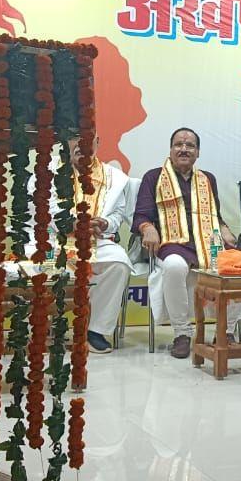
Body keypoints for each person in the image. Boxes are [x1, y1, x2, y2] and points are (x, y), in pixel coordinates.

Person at [133, 128, 241, 359]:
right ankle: (182, 333)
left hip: (208, 240)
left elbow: (215, 216)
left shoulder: (207, 179)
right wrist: (147, 228)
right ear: (170, 149)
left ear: (198, 152)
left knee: (234, 265)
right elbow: (142, 214)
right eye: (179, 145)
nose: (184, 149)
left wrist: (224, 229)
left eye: (190, 145)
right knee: (174, 266)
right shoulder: (153, 177)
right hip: (173, 241)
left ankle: (226, 332)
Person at [70, 136, 136, 354]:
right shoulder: (47, 173)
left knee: (118, 263)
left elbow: (118, 214)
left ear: (97, 142)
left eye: (87, 138)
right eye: (75, 138)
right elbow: (40, 212)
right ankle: (46, 328)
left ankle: (95, 331)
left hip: (98, 240)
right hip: (58, 241)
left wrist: (105, 222)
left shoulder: (114, 178)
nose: (81, 144)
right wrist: (71, 224)